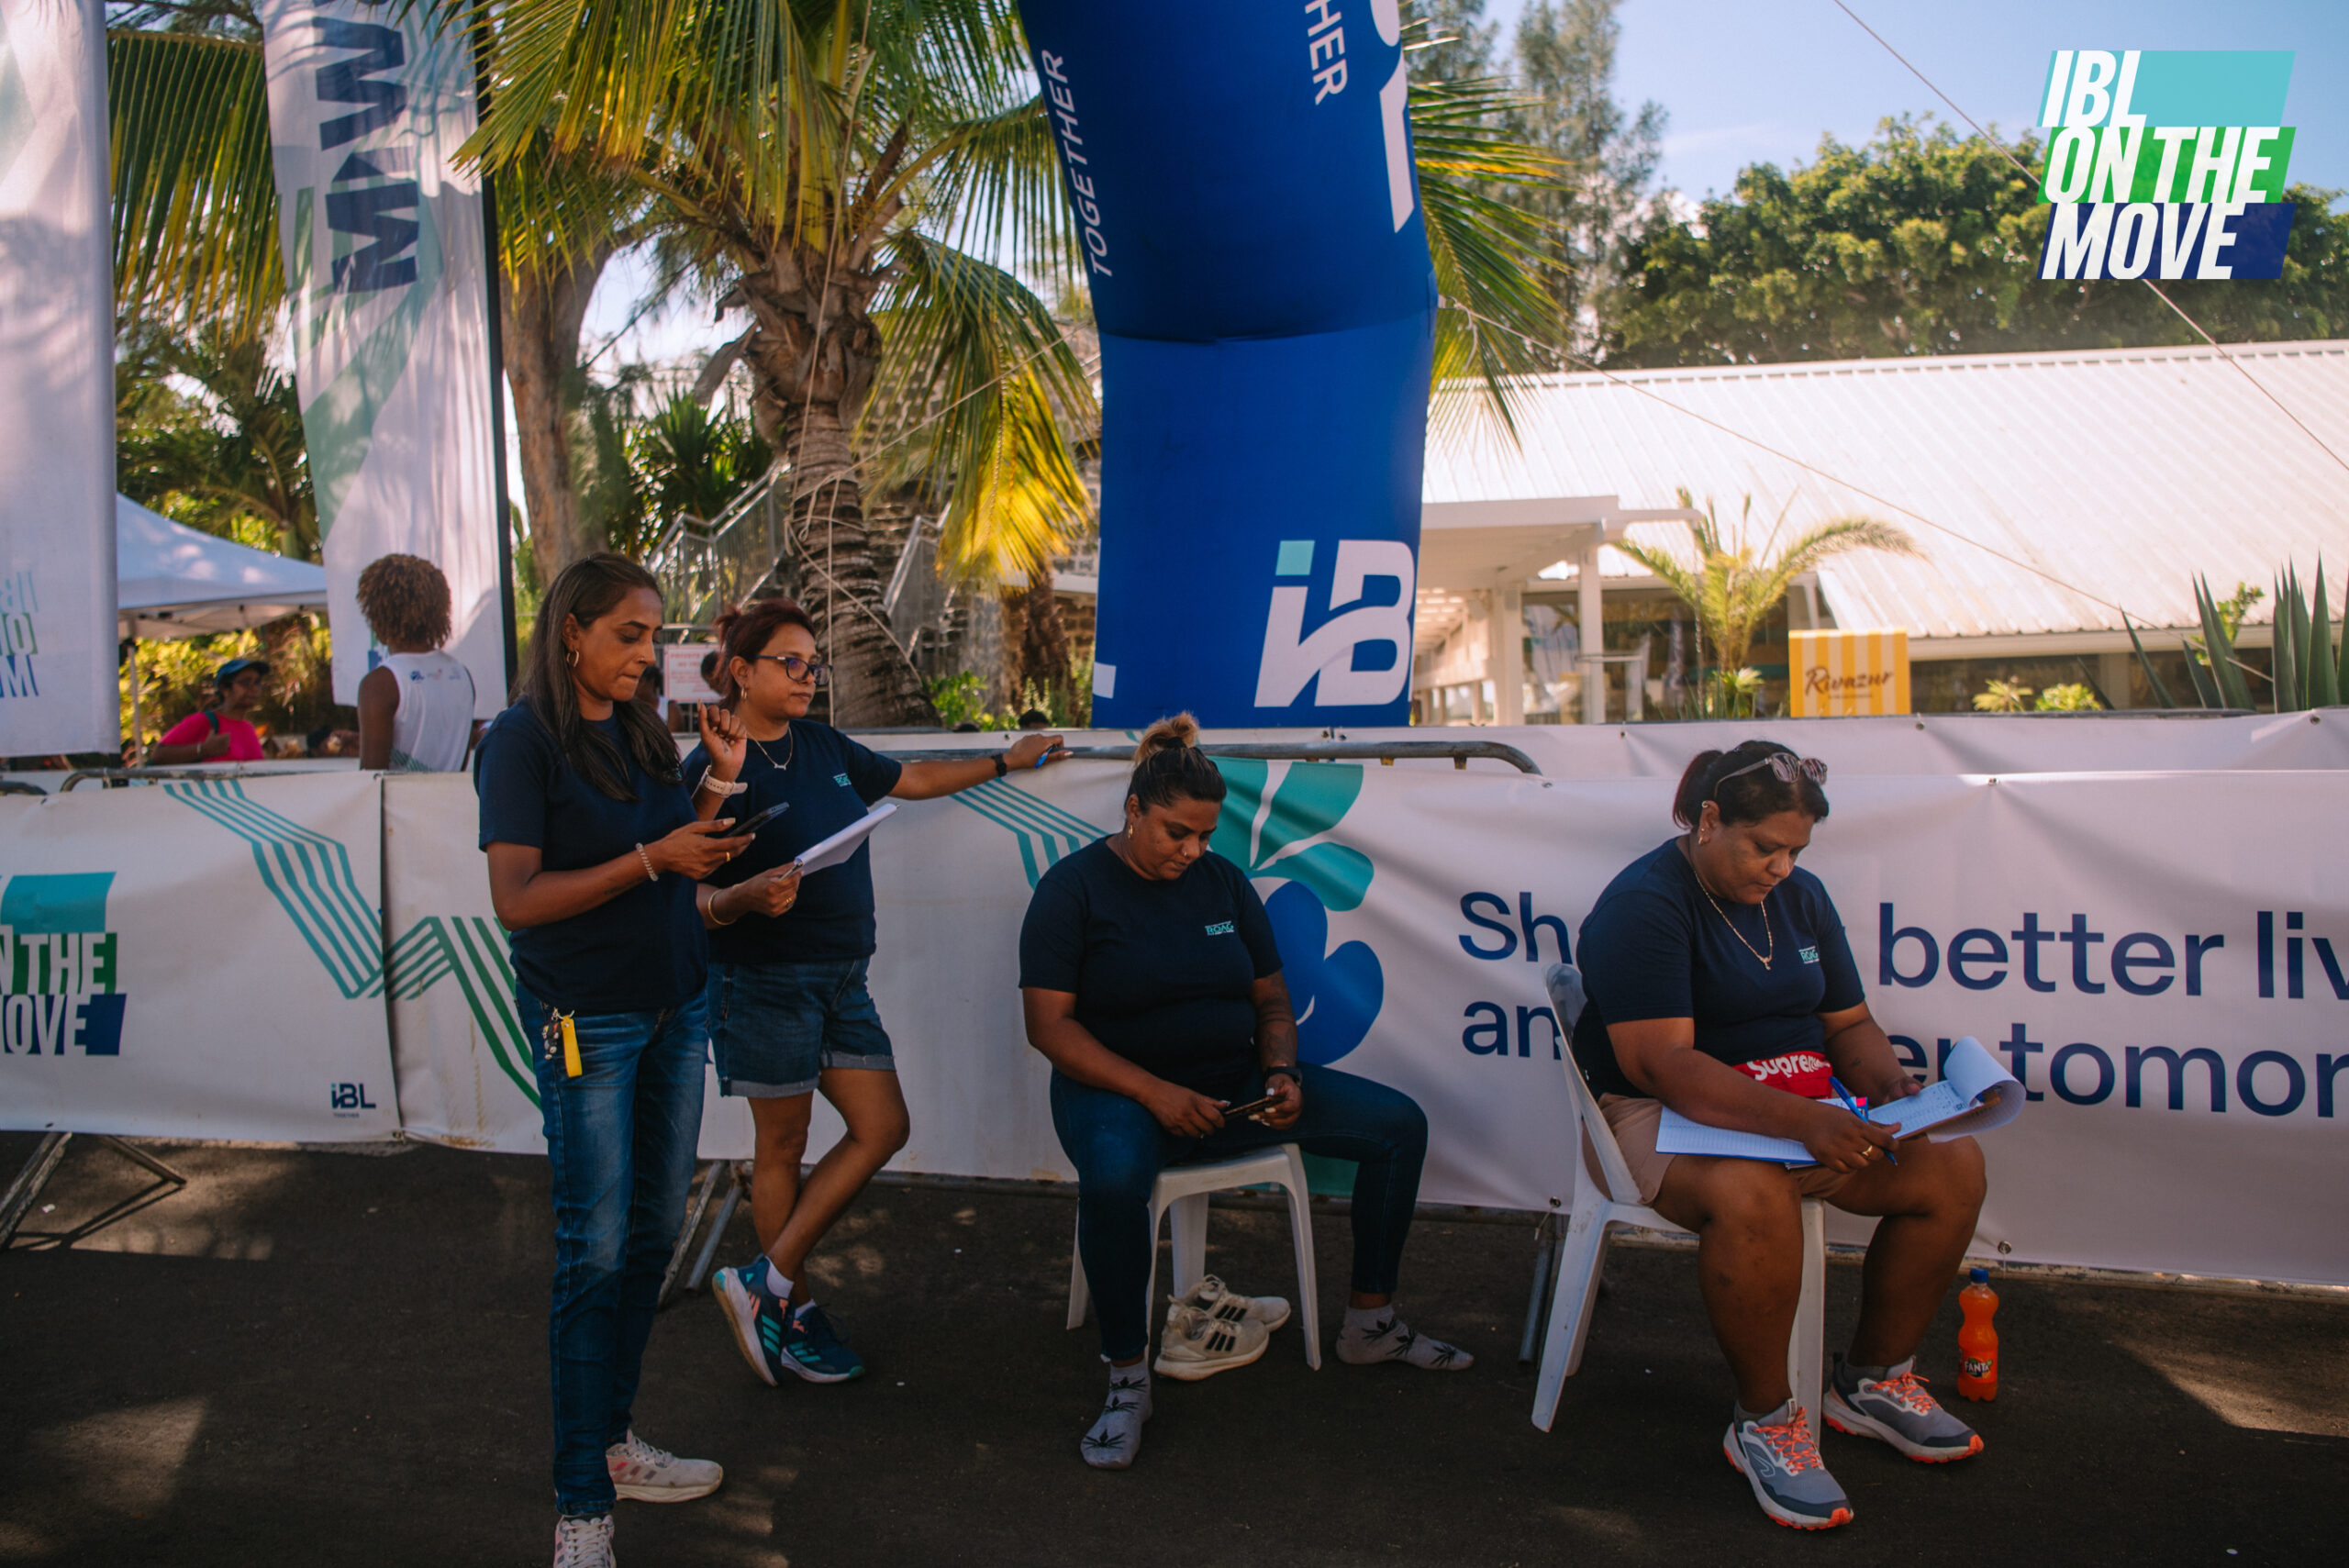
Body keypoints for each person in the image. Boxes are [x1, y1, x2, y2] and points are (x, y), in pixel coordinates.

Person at [1019, 716, 1471, 1472]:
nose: (1193, 850)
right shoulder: (1072, 889)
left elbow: (1271, 1000)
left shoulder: (1224, 882)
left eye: (1204, 835)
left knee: (1399, 1126)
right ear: (1133, 809)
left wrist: (1282, 1072)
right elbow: (1050, 1028)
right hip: (1117, 1093)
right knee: (1116, 1178)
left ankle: (1370, 1323)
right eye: (1177, 833)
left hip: (1232, 1089)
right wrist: (1155, 1094)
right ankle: (1128, 1376)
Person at [1573, 740, 1989, 1531]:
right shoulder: (1643, 904)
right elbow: (1663, 1065)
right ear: (1708, 820)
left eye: (1796, 850)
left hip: (1798, 1105)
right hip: (1657, 1114)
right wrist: (1805, 1121)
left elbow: (1850, 1025)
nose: (1782, 867)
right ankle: (1764, 1420)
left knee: (1952, 1165)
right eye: (1765, 846)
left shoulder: (1802, 898)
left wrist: (1893, 1089)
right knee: (1753, 1192)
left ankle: (1871, 1380)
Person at [686, 597, 1068, 1385]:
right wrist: (746, 896)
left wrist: (1007, 760)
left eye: (813, 663)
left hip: (842, 977)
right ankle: (792, 1312)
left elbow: (913, 776)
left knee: (883, 1125)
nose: (808, 676)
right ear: (742, 672)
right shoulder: (713, 765)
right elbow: (684, 890)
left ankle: (766, 1282)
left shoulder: (823, 743)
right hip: (761, 980)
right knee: (781, 1145)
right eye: (790, 662)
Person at [474, 552, 754, 1568]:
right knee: (590, 1252)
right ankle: (581, 1508)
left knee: (650, 1236)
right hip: (587, 1018)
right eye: (630, 635)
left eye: (654, 634)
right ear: (571, 632)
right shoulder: (519, 741)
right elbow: (517, 900)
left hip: (678, 1004)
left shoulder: (641, 728)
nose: (649, 653)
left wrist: (716, 783)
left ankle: (614, 1441)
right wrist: (654, 858)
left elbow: (673, 851)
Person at [356, 553, 477, 771]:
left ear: (377, 612)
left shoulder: (380, 684)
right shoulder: (462, 675)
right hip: (453, 793)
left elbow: (372, 778)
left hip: (401, 795)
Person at [144, 657, 269, 764]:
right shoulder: (204, 721)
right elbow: (158, 755)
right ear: (225, 689)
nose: (254, 688)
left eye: (257, 682)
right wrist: (203, 749)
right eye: (246, 682)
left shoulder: (248, 728)